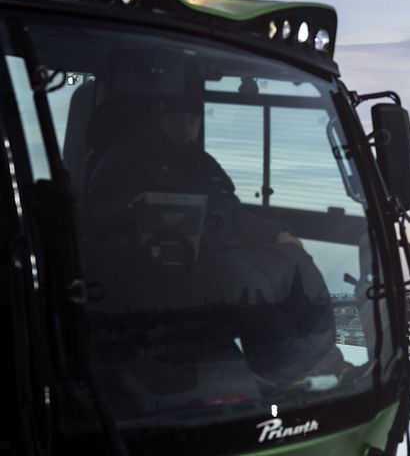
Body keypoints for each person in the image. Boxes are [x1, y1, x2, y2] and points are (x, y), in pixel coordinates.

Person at [82, 94, 347, 386]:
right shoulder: (124, 159)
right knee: (245, 281)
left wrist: (277, 233)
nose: (185, 128)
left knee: (297, 261)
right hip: (161, 264)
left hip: (220, 252)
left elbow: (234, 215)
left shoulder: (203, 163)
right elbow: (94, 216)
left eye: (192, 121)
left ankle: (326, 359)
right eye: (176, 121)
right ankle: (287, 371)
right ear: (159, 120)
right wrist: (132, 210)